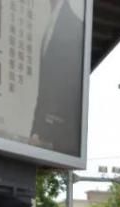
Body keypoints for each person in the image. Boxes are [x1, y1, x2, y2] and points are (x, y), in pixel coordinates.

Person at [31, 0, 84, 155]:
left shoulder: (74, 27)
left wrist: (43, 133)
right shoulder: (47, 19)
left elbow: (65, 87)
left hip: (51, 137)